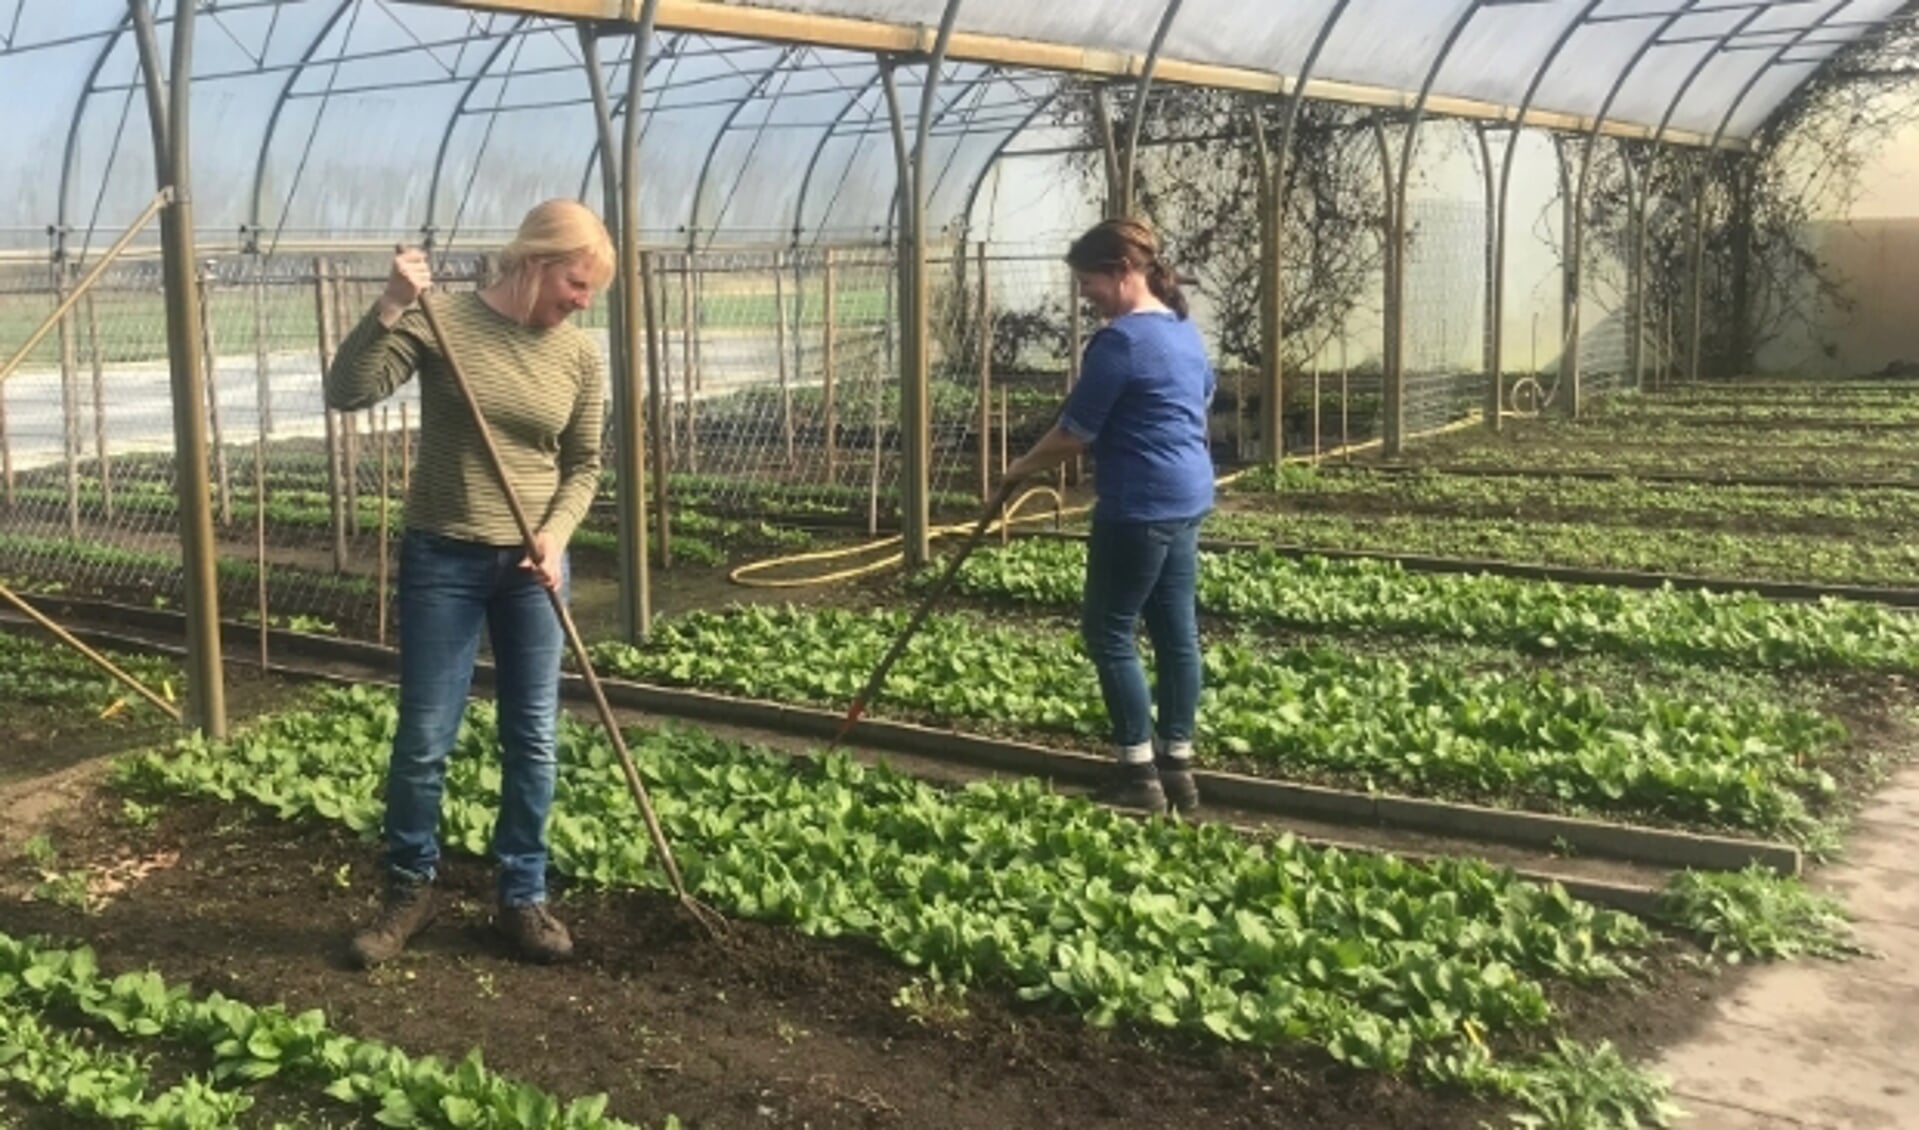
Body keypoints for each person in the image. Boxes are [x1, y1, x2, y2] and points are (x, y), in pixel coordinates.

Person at [324, 199, 612, 967]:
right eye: (576, 284)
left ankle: (522, 897)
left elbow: (583, 464)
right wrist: (390, 305)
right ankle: (408, 892)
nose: (581, 302)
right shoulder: (441, 319)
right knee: (423, 741)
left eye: (590, 293)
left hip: (532, 567)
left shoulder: (580, 356)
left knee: (534, 738)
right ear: (535, 262)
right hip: (443, 560)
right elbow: (347, 390)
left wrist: (554, 538)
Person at [999, 217, 1216, 815]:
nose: (1084, 294)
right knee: (1176, 634)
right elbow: (1200, 397)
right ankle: (1179, 768)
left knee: (1109, 630)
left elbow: (1075, 432)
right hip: (1188, 493)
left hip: (1140, 504)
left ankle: (1138, 774)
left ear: (1122, 271)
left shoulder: (1120, 343)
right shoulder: (1181, 331)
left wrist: (1020, 468)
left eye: (1089, 281)